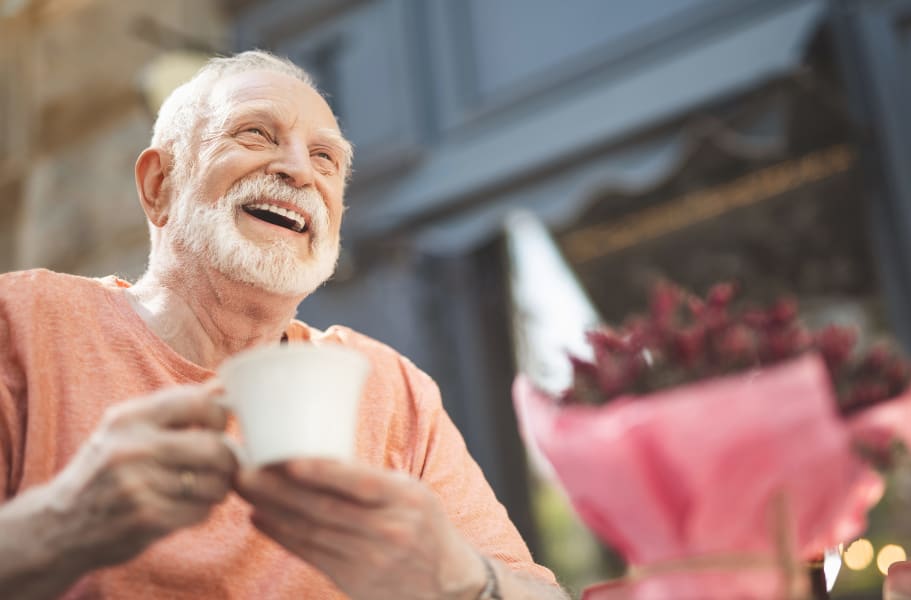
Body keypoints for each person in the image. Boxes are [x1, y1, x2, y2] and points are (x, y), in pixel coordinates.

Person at [0, 51, 567, 600]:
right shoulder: (23, 322)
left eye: (326, 160)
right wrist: (61, 522)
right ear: (158, 185)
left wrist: (460, 577)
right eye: (255, 134)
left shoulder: (391, 391)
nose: (299, 170)